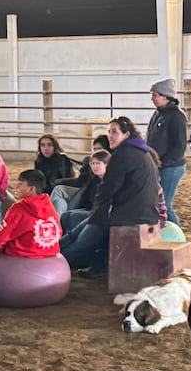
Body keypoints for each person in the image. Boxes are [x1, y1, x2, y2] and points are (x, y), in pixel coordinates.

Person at [59, 116, 160, 274]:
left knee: (82, 239)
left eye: (115, 132)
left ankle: (54, 260)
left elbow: (107, 188)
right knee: (81, 225)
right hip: (142, 213)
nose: (110, 135)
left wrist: (98, 216)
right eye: (109, 131)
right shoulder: (141, 152)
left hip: (131, 215)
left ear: (126, 135)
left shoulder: (124, 154)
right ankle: (93, 265)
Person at [0, 169, 62, 293]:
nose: (16, 186)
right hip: (49, 250)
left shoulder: (18, 209)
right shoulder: (48, 205)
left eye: (20, 184)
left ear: (32, 189)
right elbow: (58, 230)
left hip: (27, 252)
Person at [146, 78, 189, 226]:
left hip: (171, 167)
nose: (152, 98)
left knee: (164, 203)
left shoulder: (176, 117)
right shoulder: (159, 114)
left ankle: (176, 234)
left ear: (164, 96)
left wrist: (163, 162)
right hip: (162, 165)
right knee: (160, 202)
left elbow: (179, 146)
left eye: (154, 94)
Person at [49, 134, 108, 216]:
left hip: (85, 190)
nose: (96, 152)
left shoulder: (103, 164)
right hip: (83, 188)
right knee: (59, 199)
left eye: (99, 149)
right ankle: (56, 221)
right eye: (94, 149)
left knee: (59, 190)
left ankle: (54, 221)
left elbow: (85, 183)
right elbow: (81, 179)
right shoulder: (90, 160)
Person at [58, 149, 109, 234]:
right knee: (65, 215)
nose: (95, 166)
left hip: (98, 213)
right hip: (88, 209)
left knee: (74, 216)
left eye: (98, 164)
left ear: (106, 165)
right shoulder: (94, 180)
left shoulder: (109, 181)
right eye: (93, 164)